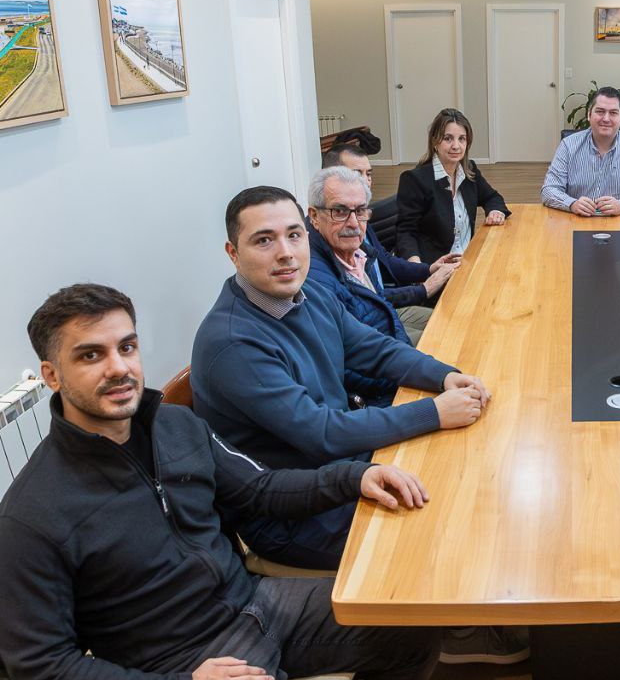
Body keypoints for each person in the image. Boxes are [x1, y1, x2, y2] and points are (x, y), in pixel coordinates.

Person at [0, 284, 439, 680]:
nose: (119, 367)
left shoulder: (174, 425)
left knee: (413, 626)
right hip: (181, 665)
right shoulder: (30, 517)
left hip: (255, 601)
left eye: (126, 347)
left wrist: (353, 477)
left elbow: (259, 489)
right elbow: (43, 670)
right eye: (91, 355)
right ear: (52, 375)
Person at [192, 186, 489, 571]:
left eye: (294, 235)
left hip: (345, 466)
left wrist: (445, 375)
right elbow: (321, 432)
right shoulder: (232, 344)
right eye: (264, 240)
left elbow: (375, 350)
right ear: (233, 253)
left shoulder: (308, 293)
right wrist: (434, 412)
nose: (285, 252)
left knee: (469, 476)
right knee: (451, 530)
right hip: (298, 512)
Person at [306, 163, 456, 393]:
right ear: (315, 217)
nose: (353, 223)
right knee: (450, 347)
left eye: (360, 211)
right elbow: (348, 366)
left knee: (455, 329)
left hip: (392, 345)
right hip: (386, 386)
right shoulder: (316, 281)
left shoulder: (357, 250)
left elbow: (380, 297)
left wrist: (427, 270)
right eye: (340, 211)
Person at [395, 107, 510, 265]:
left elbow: (492, 197)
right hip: (436, 267)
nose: (456, 146)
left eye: (461, 139)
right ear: (435, 142)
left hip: (468, 259)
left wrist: (495, 211)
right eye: (448, 138)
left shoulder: (469, 170)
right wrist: (417, 267)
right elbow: (406, 233)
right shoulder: (415, 179)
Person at [542, 86, 620, 215]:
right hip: (577, 219)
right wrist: (572, 204)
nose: (606, 119)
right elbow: (549, 189)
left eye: (613, 113)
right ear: (589, 115)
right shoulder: (568, 145)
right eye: (600, 111)